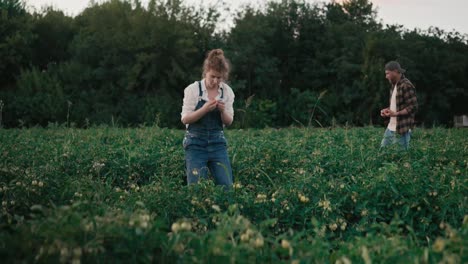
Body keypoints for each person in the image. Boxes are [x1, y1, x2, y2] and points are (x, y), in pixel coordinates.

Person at [181, 49, 235, 187]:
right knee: (196, 188)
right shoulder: (193, 90)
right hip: (195, 143)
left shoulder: (227, 92)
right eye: (212, 77)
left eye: (219, 78)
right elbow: (185, 119)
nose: (215, 81)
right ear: (206, 72)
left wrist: (222, 111)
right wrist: (204, 109)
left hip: (218, 143)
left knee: (226, 186)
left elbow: (229, 122)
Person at [380, 61, 418, 150]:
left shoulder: (406, 85)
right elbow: (396, 105)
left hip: (402, 128)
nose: (386, 77)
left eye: (388, 73)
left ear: (395, 71)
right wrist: (387, 110)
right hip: (390, 127)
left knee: (400, 157)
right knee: (382, 153)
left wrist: (395, 114)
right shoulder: (394, 85)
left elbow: (413, 107)